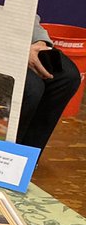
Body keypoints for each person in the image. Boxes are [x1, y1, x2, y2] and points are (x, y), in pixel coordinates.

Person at [17, 19, 82, 149]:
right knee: (32, 87)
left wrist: (40, 41)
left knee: (67, 77)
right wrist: (18, 50)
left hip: (19, 38)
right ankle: (4, 154)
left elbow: (30, 14)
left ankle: (28, 154)